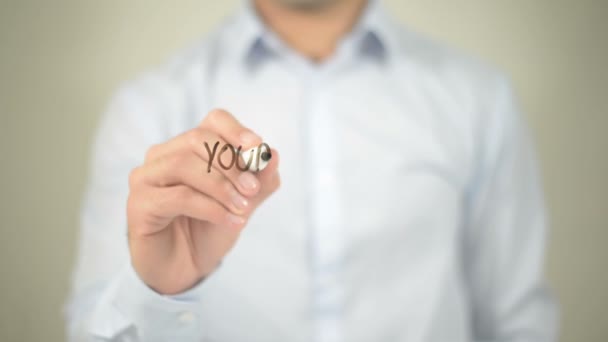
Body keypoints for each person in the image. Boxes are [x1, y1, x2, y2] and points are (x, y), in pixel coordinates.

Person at [64, 0, 558, 341]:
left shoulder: (479, 100)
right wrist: (159, 294)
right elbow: (91, 328)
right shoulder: (148, 108)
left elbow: (517, 323)